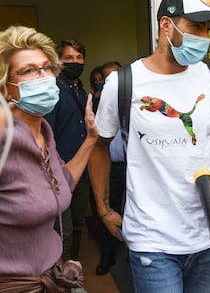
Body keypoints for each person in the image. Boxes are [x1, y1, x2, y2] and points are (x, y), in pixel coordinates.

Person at [88, 0, 210, 292]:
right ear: (166, 25)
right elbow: (100, 147)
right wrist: (104, 209)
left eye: (208, 29)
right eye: (196, 26)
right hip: (151, 240)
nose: (203, 37)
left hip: (208, 235)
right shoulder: (123, 83)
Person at [0, 25, 98, 291]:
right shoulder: (5, 139)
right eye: (29, 70)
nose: (43, 76)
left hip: (52, 275)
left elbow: (62, 183)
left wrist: (91, 139)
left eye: (47, 68)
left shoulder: (45, 132)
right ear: (7, 88)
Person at [44, 38, 90, 261]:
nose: (75, 62)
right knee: (64, 230)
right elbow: (47, 133)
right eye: (69, 58)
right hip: (60, 173)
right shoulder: (53, 91)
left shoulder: (81, 92)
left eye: (79, 58)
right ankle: (61, 278)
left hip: (83, 172)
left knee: (79, 224)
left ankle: (73, 269)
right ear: (59, 62)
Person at [94, 61, 126, 276]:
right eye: (107, 78)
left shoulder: (135, 100)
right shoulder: (99, 104)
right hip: (112, 168)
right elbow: (96, 146)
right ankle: (107, 255)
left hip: (134, 168)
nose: (112, 80)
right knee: (110, 209)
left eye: (116, 75)